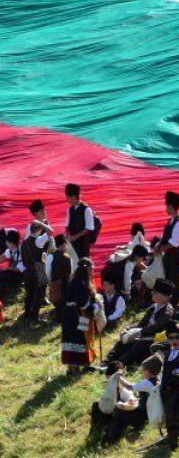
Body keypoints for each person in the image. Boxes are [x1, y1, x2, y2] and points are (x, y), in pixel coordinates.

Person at [104, 278, 174, 368]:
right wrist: (128, 328)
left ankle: (116, 365)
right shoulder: (153, 307)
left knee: (136, 346)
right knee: (121, 342)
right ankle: (106, 362)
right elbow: (141, 324)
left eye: (155, 292)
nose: (152, 293)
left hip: (154, 339)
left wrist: (138, 333)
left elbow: (155, 328)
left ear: (165, 297)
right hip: (143, 333)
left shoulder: (167, 312)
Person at [61, 259, 99, 374]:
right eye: (91, 269)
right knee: (80, 339)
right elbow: (85, 304)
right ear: (87, 270)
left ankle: (71, 367)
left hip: (68, 316)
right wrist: (97, 307)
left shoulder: (73, 281)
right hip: (79, 316)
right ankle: (76, 367)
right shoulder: (81, 284)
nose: (92, 272)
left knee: (71, 340)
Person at [21, 221, 52, 324]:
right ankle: (35, 316)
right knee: (39, 293)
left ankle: (26, 314)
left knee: (29, 293)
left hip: (27, 271)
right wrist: (42, 223)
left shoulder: (24, 242)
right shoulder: (38, 240)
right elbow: (50, 231)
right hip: (39, 269)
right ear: (39, 230)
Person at [155, 191, 179, 300]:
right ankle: (166, 301)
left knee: (174, 281)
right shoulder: (170, 221)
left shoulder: (178, 222)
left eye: (166, 206)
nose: (165, 208)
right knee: (167, 279)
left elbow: (174, 242)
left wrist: (161, 249)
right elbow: (165, 236)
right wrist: (158, 245)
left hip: (175, 257)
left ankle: (173, 304)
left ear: (170, 206)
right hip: (169, 257)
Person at [159, 321, 179, 450]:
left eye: (177, 337)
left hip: (177, 388)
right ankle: (170, 437)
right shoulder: (169, 352)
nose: (174, 340)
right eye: (171, 338)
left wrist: (177, 371)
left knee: (174, 414)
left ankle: (173, 442)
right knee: (168, 413)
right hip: (166, 388)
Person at [65, 183, 95, 259]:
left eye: (68, 198)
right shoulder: (70, 209)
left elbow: (88, 228)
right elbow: (67, 225)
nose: (67, 200)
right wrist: (66, 236)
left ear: (74, 197)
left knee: (84, 260)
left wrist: (76, 237)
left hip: (83, 241)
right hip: (73, 241)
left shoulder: (87, 210)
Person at [47, 235, 73, 323]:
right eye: (65, 244)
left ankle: (58, 318)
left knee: (57, 301)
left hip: (54, 281)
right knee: (63, 301)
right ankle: (61, 318)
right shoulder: (68, 257)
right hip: (65, 282)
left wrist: (51, 280)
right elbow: (71, 271)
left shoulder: (51, 256)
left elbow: (47, 271)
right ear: (63, 244)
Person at [0, 229, 23, 302]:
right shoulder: (11, 249)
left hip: (20, 275)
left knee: (1, 275)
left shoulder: (21, 252)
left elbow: (20, 269)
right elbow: (4, 255)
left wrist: (6, 268)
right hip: (12, 272)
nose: (6, 242)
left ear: (11, 243)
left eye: (7, 241)